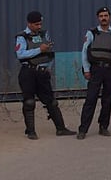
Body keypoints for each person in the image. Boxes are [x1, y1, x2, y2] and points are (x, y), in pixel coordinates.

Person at [14, 11, 76, 140]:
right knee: (29, 102)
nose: (39, 27)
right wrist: (39, 50)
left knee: (51, 102)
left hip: (42, 72)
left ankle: (61, 128)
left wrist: (48, 67)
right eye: (36, 24)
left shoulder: (43, 34)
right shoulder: (22, 37)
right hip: (28, 72)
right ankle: (30, 131)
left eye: (40, 24)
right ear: (29, 24)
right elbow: (20, 54)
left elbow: (49, 52)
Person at [77, 6, 111, 140]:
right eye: (101, 16)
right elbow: (84, 52)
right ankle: (83, 129)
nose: (103, 18)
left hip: (110, 69)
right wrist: (86, 69)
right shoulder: (91, 33)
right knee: (90, 99)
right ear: (98, 18)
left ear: (109, 17)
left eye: (106, 15)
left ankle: (103, 126)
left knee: (107, 99)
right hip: (96, 69)